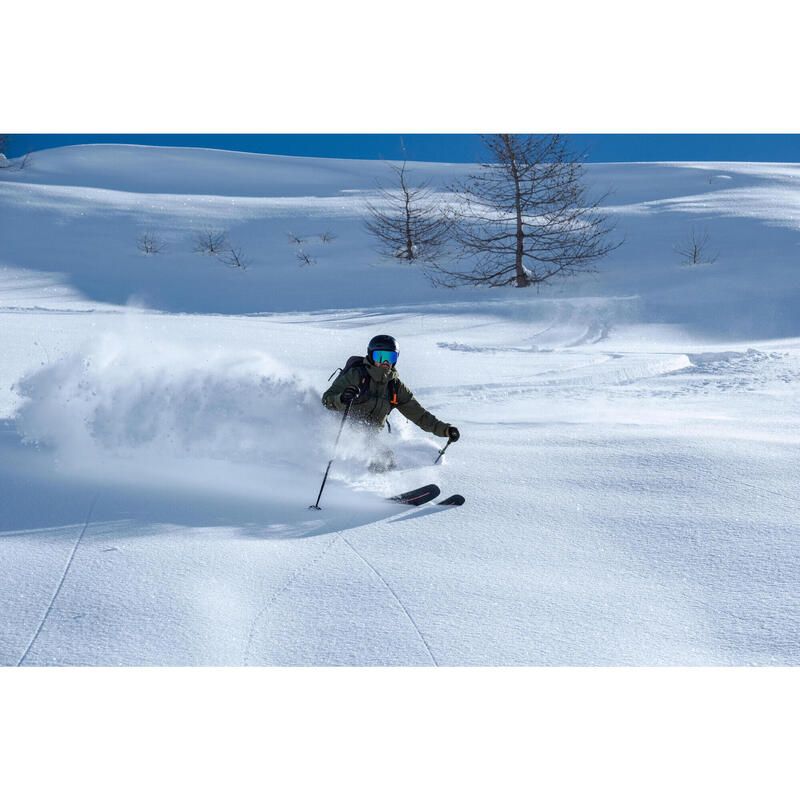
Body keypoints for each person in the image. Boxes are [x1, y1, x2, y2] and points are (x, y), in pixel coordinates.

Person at [322, 334, 460, 471]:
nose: (385, 362)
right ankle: (347, 486)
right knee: (377, 459)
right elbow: (327, 400)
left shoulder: (394, 386)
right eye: (380, 357)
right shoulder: (356, 375)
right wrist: (342, 398)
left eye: (390, 358)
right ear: (371, 356)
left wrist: (445, 430)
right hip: (342, 431)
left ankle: (372, 489)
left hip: (369, 438)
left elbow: (419, 415)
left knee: (386, 460)